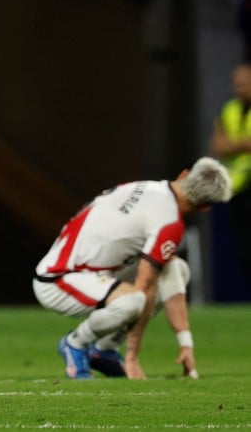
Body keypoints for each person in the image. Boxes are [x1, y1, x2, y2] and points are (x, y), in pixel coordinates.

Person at [32, 157, 232, 379]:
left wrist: (186, 344)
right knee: (134, 300)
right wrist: (132, 355)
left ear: (184, 175)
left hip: (87, 269)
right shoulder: (169, 222)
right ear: (204, 207)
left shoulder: (146, 187)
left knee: (176, 268)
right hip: (58, 280)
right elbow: (145, 285)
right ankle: (75, 344)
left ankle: (104, 351)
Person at [210, 63, 251, 277]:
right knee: (244, 247)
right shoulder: (230, 109)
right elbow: (219, 146)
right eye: (237, 84)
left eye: (245, 83)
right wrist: (243, 144)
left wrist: (233, 146)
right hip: (237, 187)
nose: (240, 88)